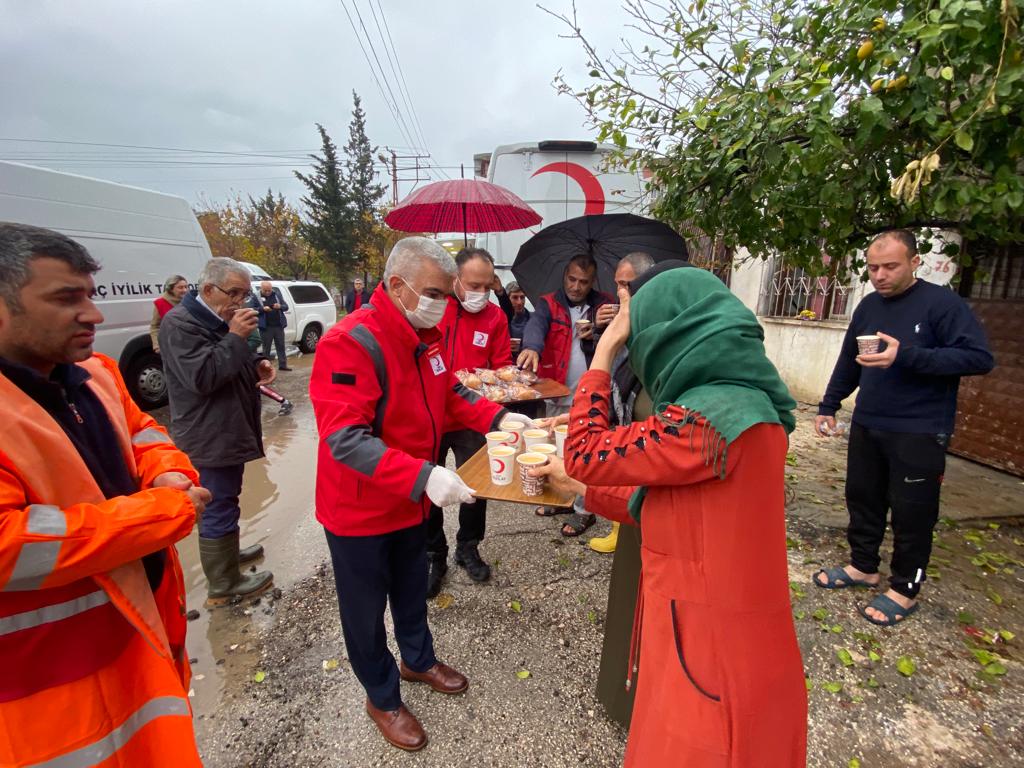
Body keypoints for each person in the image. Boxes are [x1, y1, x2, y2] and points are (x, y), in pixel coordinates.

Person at [533, 266, 807, 766]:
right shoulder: (748, 407)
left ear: (670, 336)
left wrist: (601, 354)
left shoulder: (708, 419)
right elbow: (670, 506)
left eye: (639, 338)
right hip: (718, 633)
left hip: (707, 652)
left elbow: (585, 452)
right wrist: (580, 490)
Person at [0, 222, 209, 767]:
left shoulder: (95, 374)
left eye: (90, 295)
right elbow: (9, 543)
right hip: (47, 693)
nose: (93, 314)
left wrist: (167, 473)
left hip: (140, 645)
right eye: (66, 298)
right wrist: (164, 511)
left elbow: (147, 436)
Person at [310, 237, 510, 752]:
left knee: (411, 587)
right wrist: (424, 476)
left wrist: (502, 418)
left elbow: (453, 396)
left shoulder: (427, 336)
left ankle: (417, 660)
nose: (443, 304)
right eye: (435, 293)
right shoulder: (349, 343)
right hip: (359, 511)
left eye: (446, 294)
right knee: (364, 610)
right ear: (396, 287)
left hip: (407, 503)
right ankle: (382, 697)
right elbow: (345, 438)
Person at [813, 230, 994, 625]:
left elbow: (978, 358)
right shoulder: (867, 306)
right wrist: (829, 405)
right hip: (868, 420)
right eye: (873, 267)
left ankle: (905, 588)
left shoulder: (942, 305)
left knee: (913, 512)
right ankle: (863, 566)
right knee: (863, 497)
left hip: (920, 427)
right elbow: (849, 361)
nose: (879, 275)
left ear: (914, 262)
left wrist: (907, 355)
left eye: (890, 266)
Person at [159, 256, 275, 605]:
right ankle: (223, 584)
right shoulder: (180, 324)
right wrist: (237, 337)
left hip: (225, 427)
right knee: (217, 501)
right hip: (208, 432)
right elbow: (203, 377)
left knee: (227, 497)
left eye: (245, 293)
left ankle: (229, 554)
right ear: (208, 290)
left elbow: (226, 359)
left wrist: (256, 364)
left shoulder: (214, 318)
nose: (240, 301)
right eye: (234, 293)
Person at [427, 247, 512, 597]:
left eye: (486, 286)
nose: (480, 293)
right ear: (456, 280)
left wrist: (490, 381)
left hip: (472, 417)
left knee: (476, 487)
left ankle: (468, 546)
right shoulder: (435, 309)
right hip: (431, 415)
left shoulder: (495, 318)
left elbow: (502, 368)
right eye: (472, 285)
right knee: (427, 485)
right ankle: (434, 554)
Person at [516, 253, 613, 536]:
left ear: (592, 281)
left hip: (591, 395)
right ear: (564, 275)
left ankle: (585, 510)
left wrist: (596, 331)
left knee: (585, 454)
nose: (576, 286)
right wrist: (532, 346)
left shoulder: (604, 304)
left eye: (583, 281)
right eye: (572, 278)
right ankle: (564, 499)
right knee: (557, 451)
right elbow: (536, 325)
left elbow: (615, 342)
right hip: (557, 392)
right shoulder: (549, 303)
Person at [588, 251, 657, 555]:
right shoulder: (621, 318)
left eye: (627, 285)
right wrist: (600, 332)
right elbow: (611, 372)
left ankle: (632, 531)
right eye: (617, 284)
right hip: (626, 418)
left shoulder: (654, 327)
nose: (620, 293)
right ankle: (621, 528)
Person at [250, 280, 291, 371]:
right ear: (261, 289)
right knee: (266, 349)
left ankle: (283, 365)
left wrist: (279, 306)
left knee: (281, 346)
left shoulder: (276, 294)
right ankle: (266, 368)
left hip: (278, 326)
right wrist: (262, 309)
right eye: (265, 291)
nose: (268, 292)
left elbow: (286, 306)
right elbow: (252, 308)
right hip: (266, 327)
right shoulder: (256, 296)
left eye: (269, 290)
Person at [150, 273, 188, 353]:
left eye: (186, 287)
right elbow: (155, 326)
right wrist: (157, 345)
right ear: (170, 289)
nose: (184, 290)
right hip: (170, 347)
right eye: (180, 287)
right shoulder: (160, 303)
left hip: (188, 344)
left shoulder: (189, 301)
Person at [493, 278, 531, 353]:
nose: (519, 302)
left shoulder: (534, 320)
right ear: (508, 298)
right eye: (515, 297)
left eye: (522, 297)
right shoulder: (499, 320)